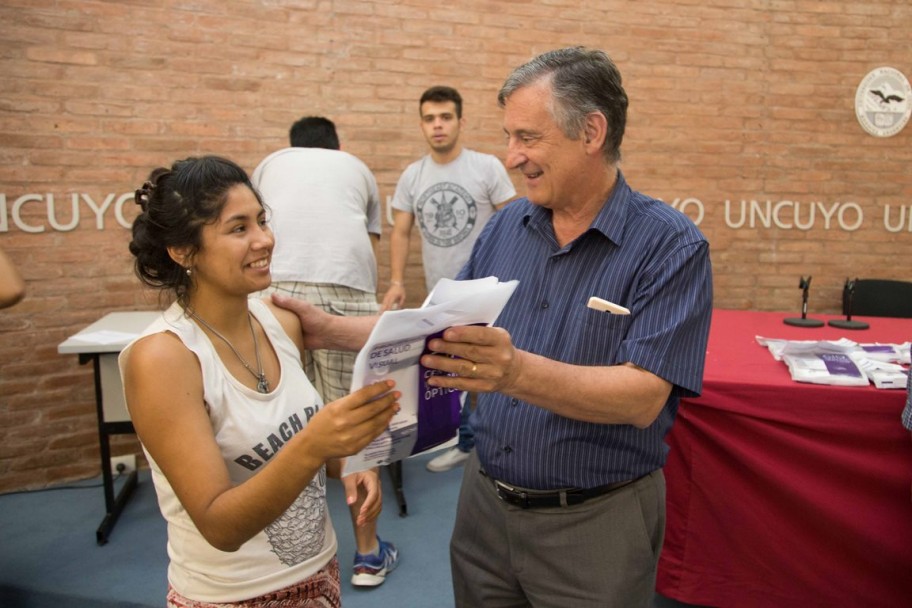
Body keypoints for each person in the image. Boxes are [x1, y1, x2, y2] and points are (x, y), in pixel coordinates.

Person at [273, 46, 713, 607]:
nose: (510, 157)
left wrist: (513, 372)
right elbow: (433, 327)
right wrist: (327, 329)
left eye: (527, 138)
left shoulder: (670, 246)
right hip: (483, 509)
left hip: (595, 524)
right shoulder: (507, 227)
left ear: (592, 131)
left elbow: (643, 398)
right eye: (508, 137)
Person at [119, 155, 400, 608]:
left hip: (319, 574)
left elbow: (282, 450)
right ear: (183, 251)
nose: (264, 240)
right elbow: (220, 526)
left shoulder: (280, 323)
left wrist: (349, 461)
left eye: (262, 221)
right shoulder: (164, 358)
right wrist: (316, 442)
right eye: (238, 228)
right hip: (233, 595)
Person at [251, 117, 399, 587]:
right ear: (337, 146)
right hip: (346, 286)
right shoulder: (355, 168)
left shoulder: (269, 164)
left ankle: (286, 555)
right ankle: (369, 555)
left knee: (281, 424)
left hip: (277, 291)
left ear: (290, 146)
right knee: (356, 417)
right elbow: (369, 246)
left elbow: (258, 232)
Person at [381, 85, 517, 474]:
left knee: (487, 366)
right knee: (448, 367)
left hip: (486, 290)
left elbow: (515, 221)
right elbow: (401, 232)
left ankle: (484, 443)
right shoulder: (414, 175)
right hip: (441, 291)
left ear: (460, 121)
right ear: (421, 124)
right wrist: (395, 281)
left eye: (445, 117)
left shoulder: (486, 167)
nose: (438, 126)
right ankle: (462, 439)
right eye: (430, 119)